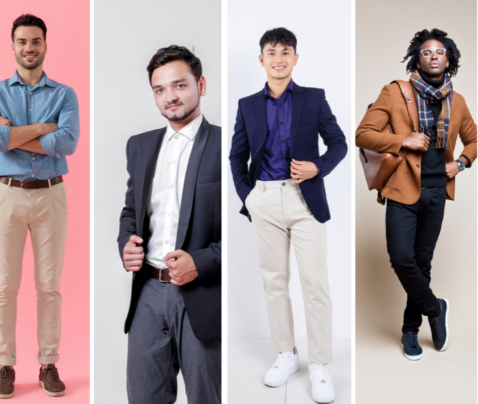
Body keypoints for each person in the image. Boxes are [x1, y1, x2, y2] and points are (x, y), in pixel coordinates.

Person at [229, 27, 347, 403]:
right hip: (264, 198)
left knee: (315, 284)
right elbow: (236, 155)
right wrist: (248, 198)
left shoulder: (314, 99)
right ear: (261, 59)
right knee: (274, 282)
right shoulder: (247, 104)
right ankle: (287, 354)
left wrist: (318, 167)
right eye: (271, 52)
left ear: (296, 58)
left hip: (304, 199)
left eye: (286, 52)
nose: (279, 58)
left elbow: (340, 143)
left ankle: (320, 364)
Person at [356, 28, 476, 363]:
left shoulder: (458, 101)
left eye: (440, 51)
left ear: (448, 58)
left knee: (422, 263)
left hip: (437, 191)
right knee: (401, 258)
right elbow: (362, 134)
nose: (434, 56)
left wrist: (462, 164)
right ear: (418, 58)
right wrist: (403, 141)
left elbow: (474, 141)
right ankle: (434, 308)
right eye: (427, 52)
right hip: (402, 190)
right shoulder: (396, 92)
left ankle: (410, 330)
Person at [0, 13, 79, 399]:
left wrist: (12, 134)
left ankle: (48, 364)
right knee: (5, 285)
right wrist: (41, 129)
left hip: (51, 194)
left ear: (45, 45)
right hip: (7, 195)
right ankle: (5, 366)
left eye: (36, 41)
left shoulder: (64, 94)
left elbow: (67, 144)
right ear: (13, 45)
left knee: (49, 285)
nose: (29, 48)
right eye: (22, 41)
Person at [117, 45, 221, 404]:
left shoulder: (228, 146)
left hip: (203, 294)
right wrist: (126, 244)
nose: (170, 97)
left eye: (179, 85)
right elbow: (131, 211)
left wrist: (203, 262)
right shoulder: (140, 145)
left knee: (205, 397)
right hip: (148, 290)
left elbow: (252, 228)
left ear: (201, 85)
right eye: (160, 90)